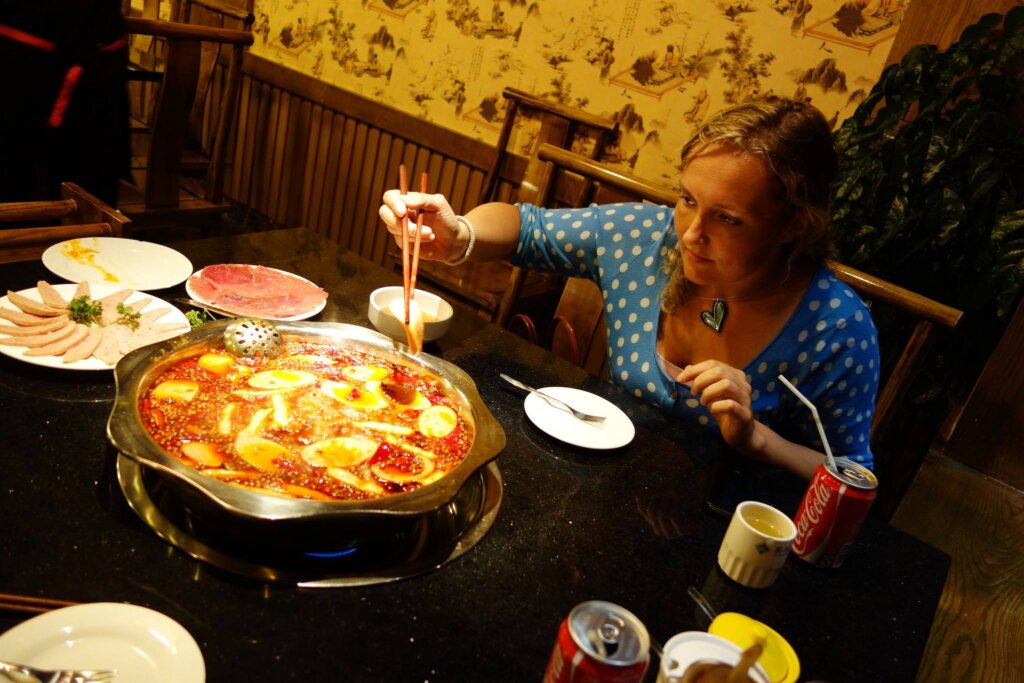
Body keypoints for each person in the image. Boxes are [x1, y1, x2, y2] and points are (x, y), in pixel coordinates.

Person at [378, 97, 879, 480]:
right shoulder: (643, 237)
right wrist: (458, 234)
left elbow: (854, 478)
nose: (690, 233)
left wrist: (755, 439)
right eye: (687, 199)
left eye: (727, 219)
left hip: (730, 536)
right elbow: (525, 227)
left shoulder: (837, 326)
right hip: (608, 482)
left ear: (791, 225)